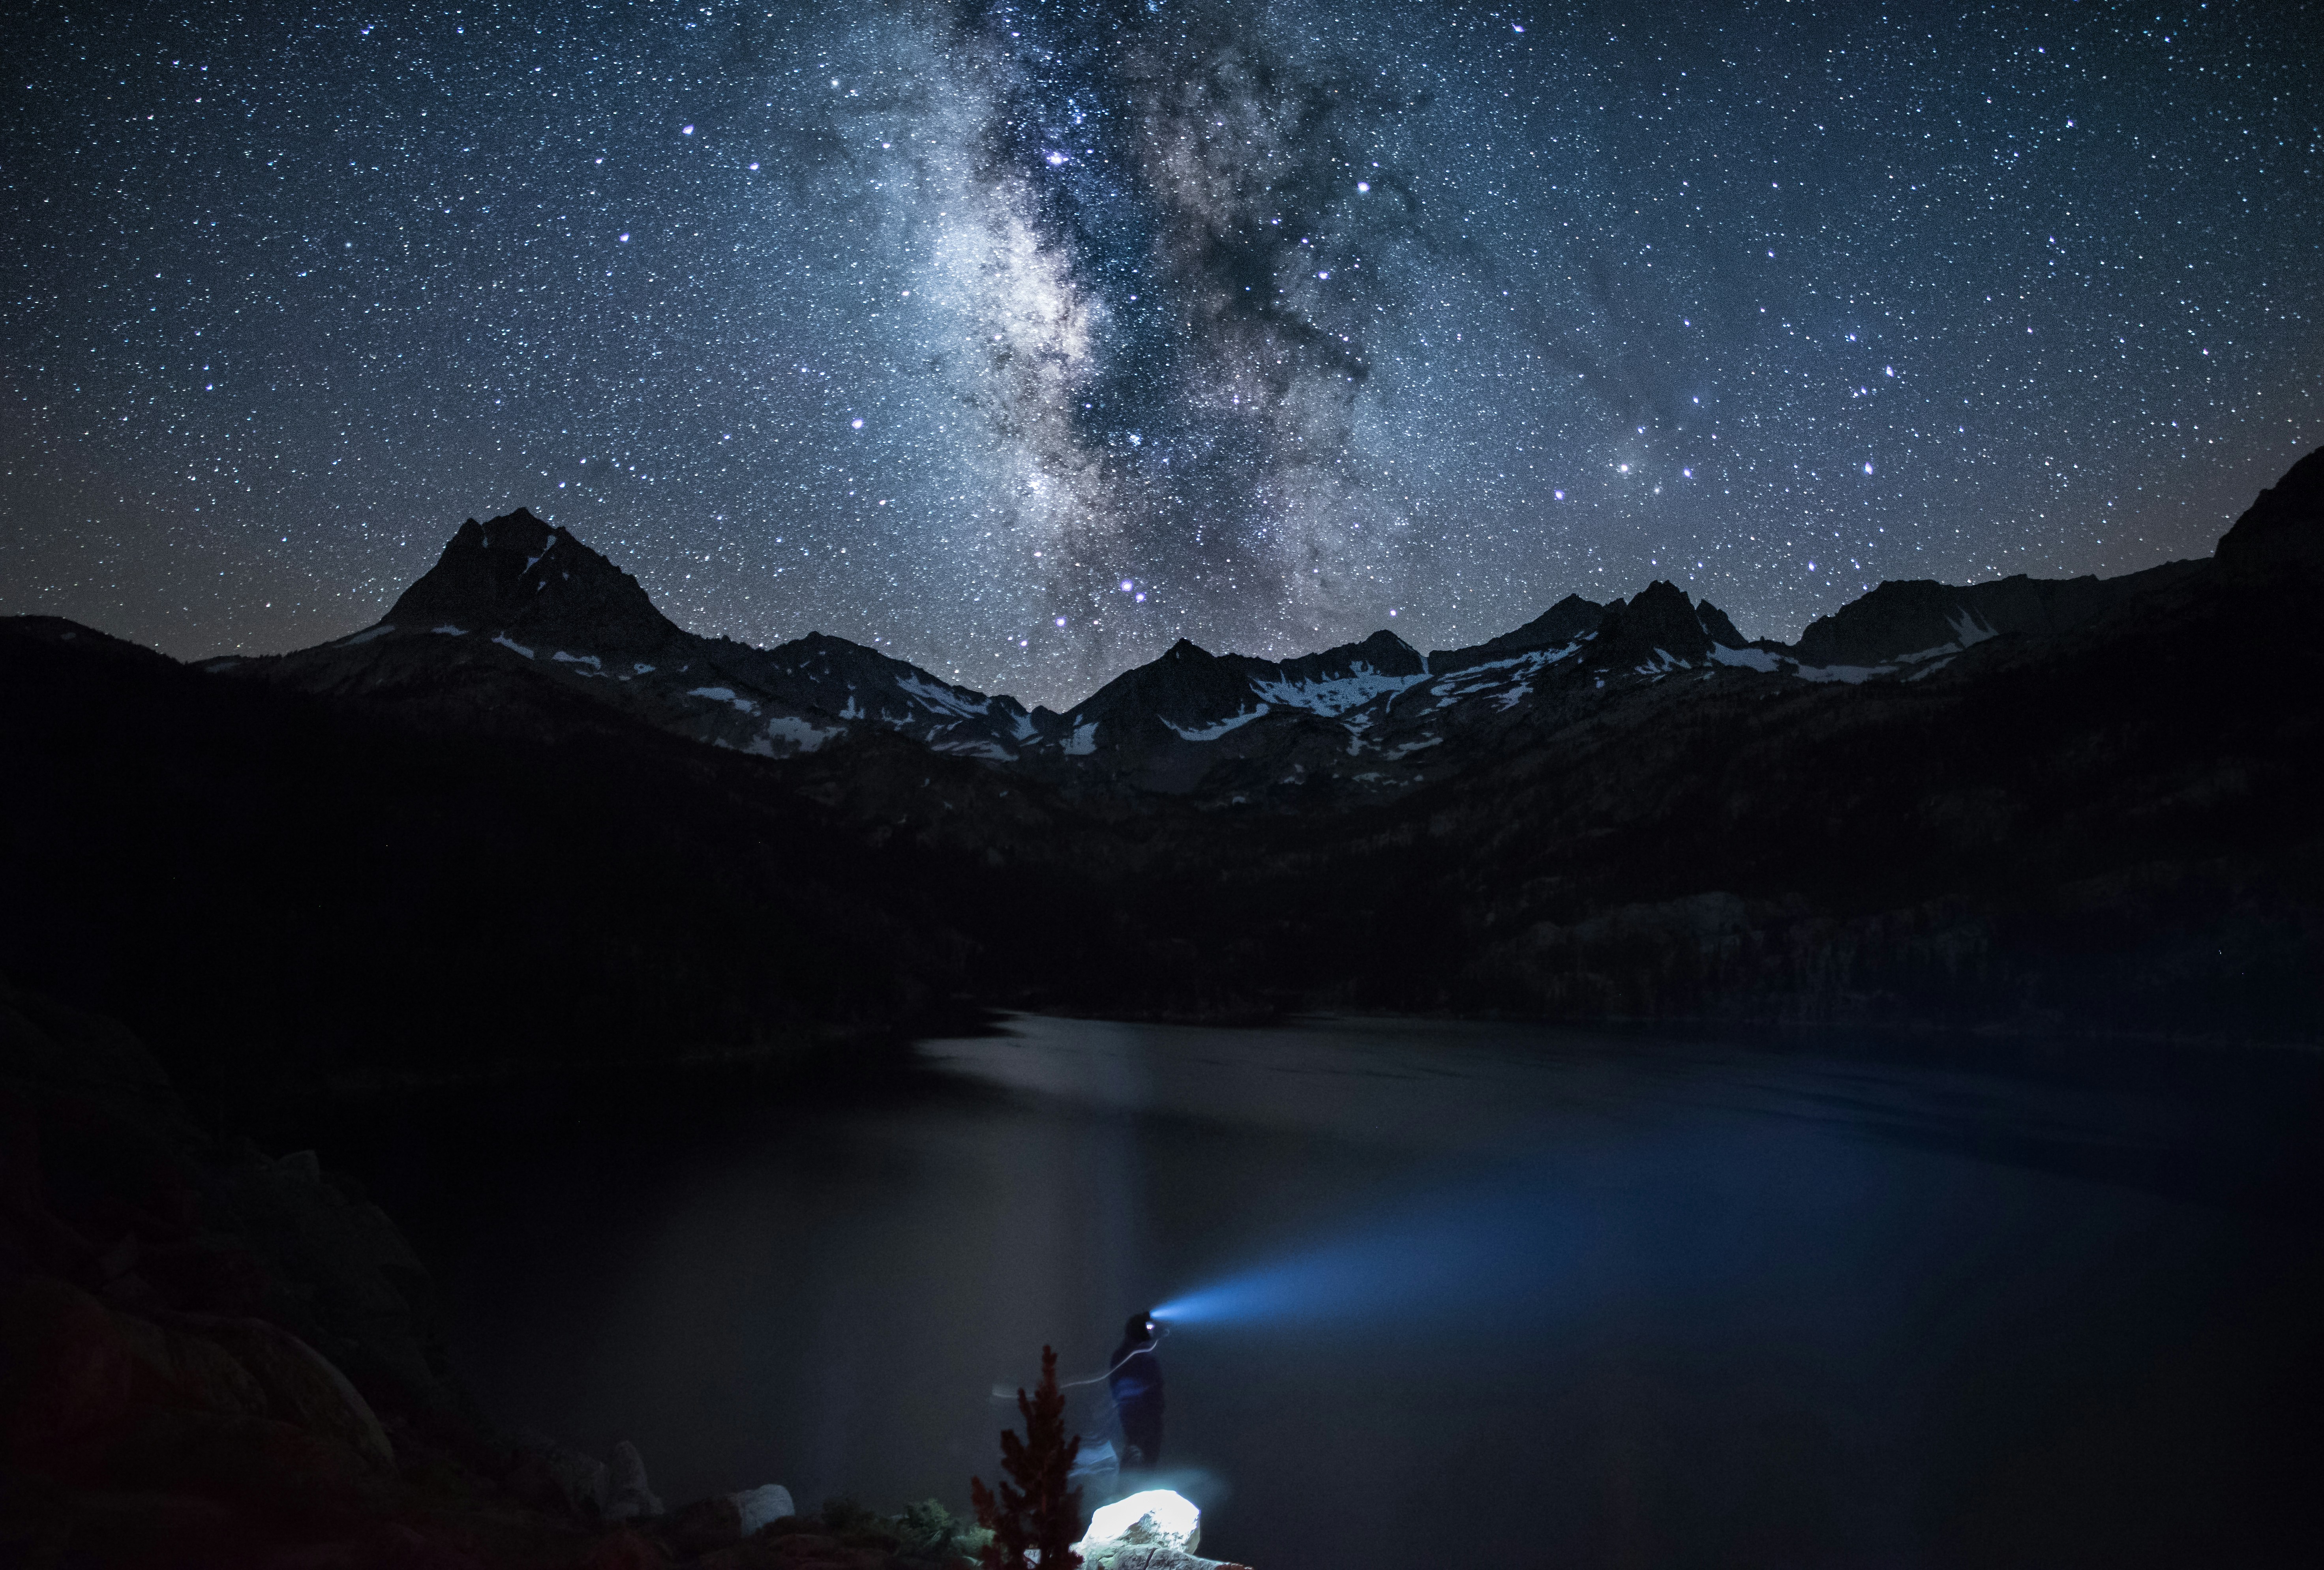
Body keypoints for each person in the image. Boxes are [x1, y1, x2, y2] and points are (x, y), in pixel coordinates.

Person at [1107, 1311, 1165, 1468]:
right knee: (1136, 1459)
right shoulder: (1128, 1356)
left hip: (1147, 1420)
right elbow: (1121, 1387)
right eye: (1149, 1327)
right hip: (1137, 1420)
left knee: (1145, 1460)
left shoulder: (1142, 1357)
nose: (1152, 1331)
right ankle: (1128, 1489)